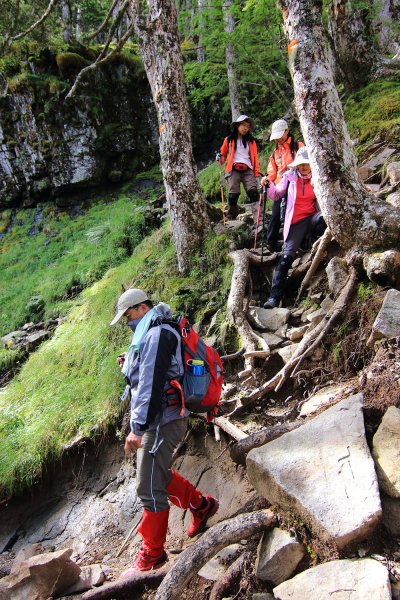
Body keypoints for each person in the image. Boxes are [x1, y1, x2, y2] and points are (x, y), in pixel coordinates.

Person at [110, 288, 219, 572]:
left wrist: (137, 428)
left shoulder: (158, 335)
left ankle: (153, 554)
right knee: (157, 475)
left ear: (142, 308)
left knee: (147, 487)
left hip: (162, 419)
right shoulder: (152, 333)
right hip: (162, 417)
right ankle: (201, 506)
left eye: (129, 315)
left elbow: (150, 384)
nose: (127, 322)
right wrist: (129, 361)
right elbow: (149, 371)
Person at [263, 147, 326, 309]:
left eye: (307, 163)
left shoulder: (318, 178)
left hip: (312, 217)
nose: (304, 167)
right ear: (297, 165)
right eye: (301, 164)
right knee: (285, 260)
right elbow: (276, 195)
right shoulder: (289, 177)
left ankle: (310, 243)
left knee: (324, 219)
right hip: (295, 223)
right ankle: (274, 297)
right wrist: (268, 184)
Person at [261, 119, 304, 251]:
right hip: (280, 187)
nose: (278, 139)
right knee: (275, 214)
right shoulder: (275, 154)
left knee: (294, 214)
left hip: (296, 185)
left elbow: (306, 163)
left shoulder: (298, 146)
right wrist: (267, 180)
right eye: (276, 137)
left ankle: (297, 242)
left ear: (287, 131)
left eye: (280, 135)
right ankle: (271, 243)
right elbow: (272, 173)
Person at [217, 114, 260, 222]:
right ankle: (231, 217)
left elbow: (255, 158)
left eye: (248, 126)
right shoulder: (229, 140)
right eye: (244, 125)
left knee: (253, 193)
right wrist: (219, 157)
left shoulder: (252, 141)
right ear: (237, 125)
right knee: (233, 195)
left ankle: (258, 219)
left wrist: (257, 173)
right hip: (233, 168)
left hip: (248, 169)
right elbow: (222, 157)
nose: (245, 128)